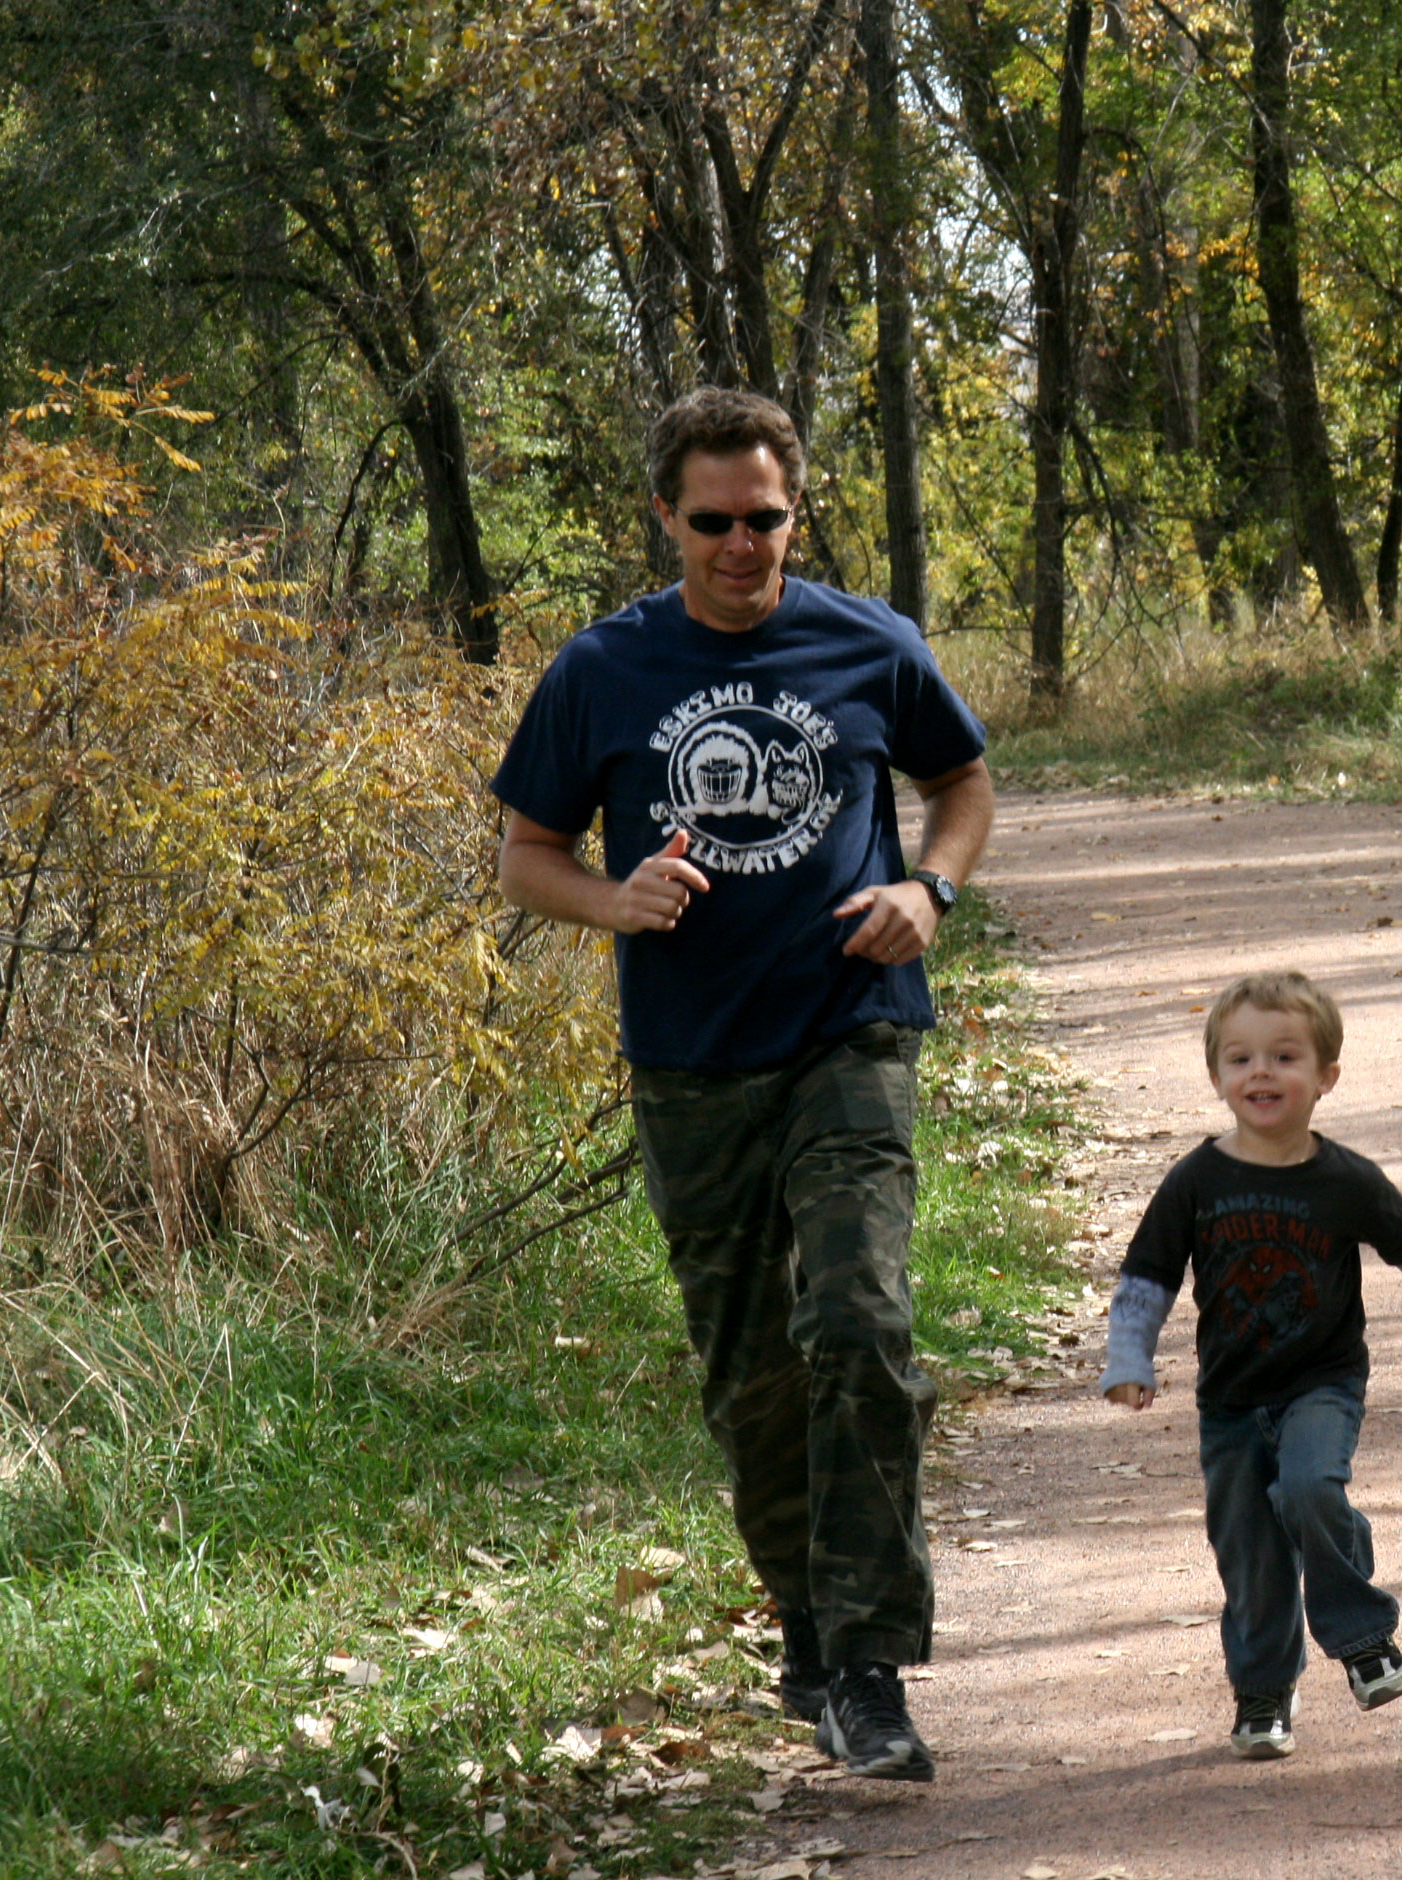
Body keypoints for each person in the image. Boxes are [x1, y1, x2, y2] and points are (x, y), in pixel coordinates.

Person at [490, 387, 992, 1783]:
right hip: (694, 1063)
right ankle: (810, 1639)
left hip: (851, 1030)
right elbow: (526, 854)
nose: (738, 545)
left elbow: (962, 783)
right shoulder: (604, 668)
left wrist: (930, 889)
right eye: (710, 521)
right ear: (665, 516)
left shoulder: (868, 642)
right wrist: (614, 897)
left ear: (794, 512)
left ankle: (872, 1667)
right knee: (755, 1379)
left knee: (861, 1323)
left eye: (762, 519)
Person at [1099, 970, 1402, 1760]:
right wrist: (1130, 1356)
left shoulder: (1345, 1180)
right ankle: (1263, 1693)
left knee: (1310, 1488)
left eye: (1285, 1056)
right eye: (1241, 1058)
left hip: (1322, 1384)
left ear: (1327, 1075)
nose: (1261, 1072)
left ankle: (1363, 1639)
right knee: (1250, 1554)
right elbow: (1147, 1275)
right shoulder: (1195, 1181)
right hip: (1229, 1402)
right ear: (1216, 1076)